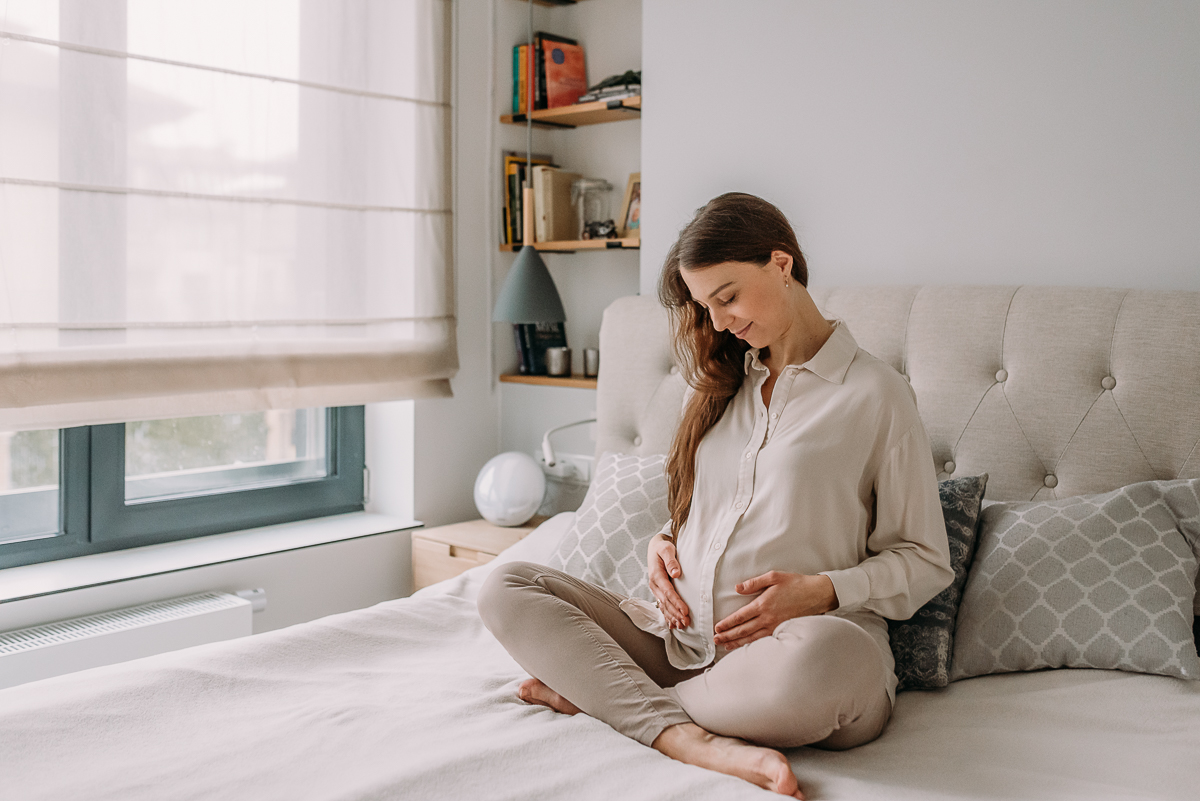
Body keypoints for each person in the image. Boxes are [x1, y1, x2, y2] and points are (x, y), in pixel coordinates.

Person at [478, 192, 953, 798]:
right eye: (706, 306)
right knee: (509, 586)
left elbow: (925, 559)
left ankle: (611, 700)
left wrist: (824, 590)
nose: (721, 321)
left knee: (827, 657)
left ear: (782, 264)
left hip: (800, 653)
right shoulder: (720, 387)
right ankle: (684, 735)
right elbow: (709, 510)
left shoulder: (876, 395)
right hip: (683, 646)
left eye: (727, 296)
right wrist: (664, 541)